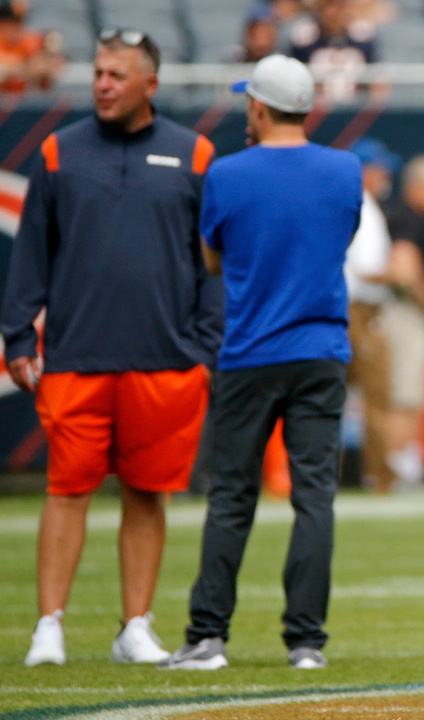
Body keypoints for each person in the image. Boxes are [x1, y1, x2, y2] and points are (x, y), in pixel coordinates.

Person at [2, 28, 220, 666]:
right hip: (76, 356)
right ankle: (49, 625)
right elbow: (30, 253)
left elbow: (212, 262)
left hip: (167, 360)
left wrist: (205, 346)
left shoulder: (195, 153)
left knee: (147, 492)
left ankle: (135, 625)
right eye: (98, 72)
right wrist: (17, 332)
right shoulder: (57, 152)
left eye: (116, 75)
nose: (101, 84)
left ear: (149, 85)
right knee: (65, 489)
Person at [158, 54, 362, 671]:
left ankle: (207, 637)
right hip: (321, 352)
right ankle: (305, 643)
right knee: (314, 499)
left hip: (249, 353)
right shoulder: (345, 169)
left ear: (258, 106)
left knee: (230, 498)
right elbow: (340, 239)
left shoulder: (227, 173)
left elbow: (213, 260)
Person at [380, 153, 424, 489]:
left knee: (410, 391)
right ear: (418, 187)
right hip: (402, 313)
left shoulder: (403, 216)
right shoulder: (407, 217)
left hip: (397, 313)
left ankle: (400, 468)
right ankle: (395, 471)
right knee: (405, 393)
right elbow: (404, 269)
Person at [344, 137, 399, 493]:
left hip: (352, 310)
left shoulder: (356, 204)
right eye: (380, 168)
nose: (386, 175)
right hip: (360, 312)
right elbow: (367, 268)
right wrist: (401, 272)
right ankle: (380, 477)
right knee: (377, 396)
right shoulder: (363, 205)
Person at [0, 0, 63, 94]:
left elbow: (46, 66)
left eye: (17, 22)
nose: (13, 28)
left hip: (24, 101)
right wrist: (23, 67)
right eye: (9, 23)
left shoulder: (29, 39)